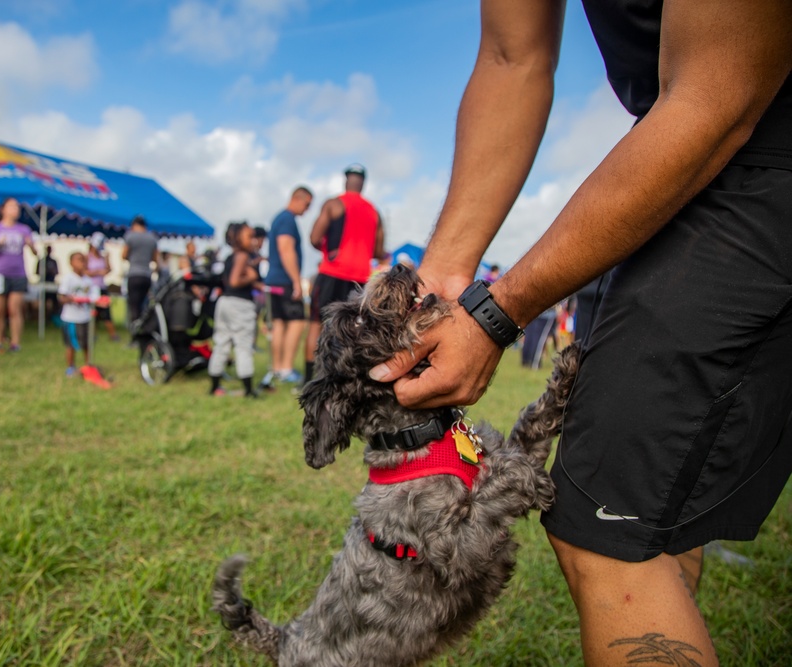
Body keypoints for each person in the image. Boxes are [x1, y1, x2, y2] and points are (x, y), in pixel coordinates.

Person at [367, 3, 792, 665]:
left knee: (607, 535)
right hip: (692, 154)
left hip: (752, 143)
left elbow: (720, 91)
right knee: (649, 515)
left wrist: (496, 311)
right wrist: (443, 276)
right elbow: (513, 57)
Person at [303, 163, 384, 385]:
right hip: (358, 278)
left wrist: (329, 249)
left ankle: (309, 381)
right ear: (363, 183)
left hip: (332, 272)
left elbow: (314, 238)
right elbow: (378, 249)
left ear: (346, 180)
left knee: (316, 323)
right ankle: (346, 379)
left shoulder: (334, 204)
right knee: (354, 329)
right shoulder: (374, 212)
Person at [262, 186, 312, 387]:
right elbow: (286, 249)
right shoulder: (287, 219)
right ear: (297, 199)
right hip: (284, 280)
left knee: (280, 323)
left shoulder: (278, 218)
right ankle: (286, 368)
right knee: (297, 322)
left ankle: (277, 368)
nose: (307, 209)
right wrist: (296, 281)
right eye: (307, 204)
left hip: (274, 281)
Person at [208, 222, 260, 398]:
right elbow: (235, 281)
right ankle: (248, 390)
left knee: (221, 343)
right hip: (240, 305)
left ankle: (214, 386)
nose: (254, 241)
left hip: (225, 302)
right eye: (249, 237)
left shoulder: (231, 256)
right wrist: (252, 276)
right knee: (243, 345)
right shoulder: (243, 256)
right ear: (237, 238)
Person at [0, 197, 36, 352]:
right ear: (3, 209)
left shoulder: (24, 229)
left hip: (18, 273)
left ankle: (15, 343)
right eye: (12, 206)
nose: (15, 209)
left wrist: (30, 245)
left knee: (15, 310)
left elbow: (35, 252)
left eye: (17, 207)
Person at [57, 251, 110, 388]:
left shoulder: (88, 281)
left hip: (85, 318)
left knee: (87, 343)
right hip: (71, 318)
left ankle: (88, 365)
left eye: (84, 260)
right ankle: (70, 367)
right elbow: (61, 297)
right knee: (71, 344)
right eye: (79, 260)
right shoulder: (68, 279)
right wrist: (73, 299)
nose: (83, 263)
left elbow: (94, 296)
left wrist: (99, 301)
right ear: (71, 263)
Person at [121, 215, 159, 333]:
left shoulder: (130, 236)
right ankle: (145, 329)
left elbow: (123, 255)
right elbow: (155, 258)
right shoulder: (152, 238)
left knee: (133, 306)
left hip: (134, 274)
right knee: (145, 305)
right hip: (147, 276)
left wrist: (133, 258)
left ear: (134, 225)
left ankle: (134, 333)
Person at [85, 232, 118, 341]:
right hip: (92, 288)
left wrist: (107, 259)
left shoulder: (102, 256)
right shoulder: (87, 257)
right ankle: (92, 334)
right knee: (93, 312)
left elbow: (108, 270)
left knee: (106, 312)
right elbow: (85, 272)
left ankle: (113, 335)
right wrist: (98, 272)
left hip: (102, 287)